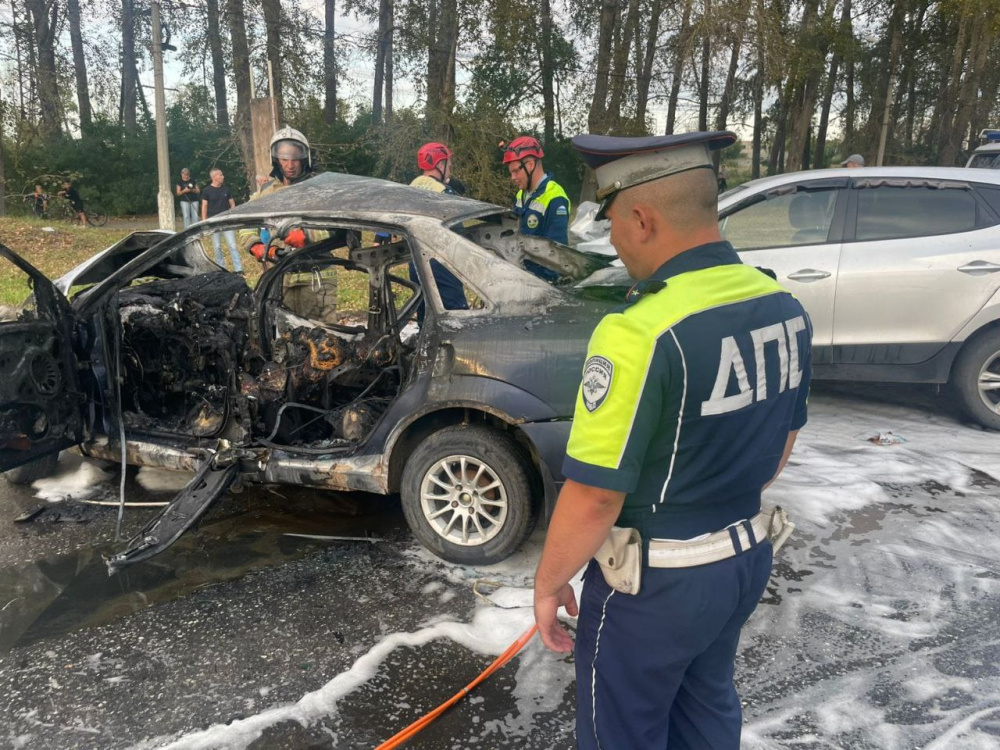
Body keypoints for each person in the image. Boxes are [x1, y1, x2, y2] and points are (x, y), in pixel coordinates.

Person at [533, 131, 813, 750]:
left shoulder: (639, 331)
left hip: (654, 588)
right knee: (705, 712)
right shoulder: (783, 306)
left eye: (612, 222)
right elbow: (779, 449)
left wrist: (549, 583)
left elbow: (596, 495)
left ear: (642, 218)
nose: (611, 238)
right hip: (743, 560)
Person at [239, 126, 326, 262]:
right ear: (276, 160)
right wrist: (254, 245)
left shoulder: (318, 189)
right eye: (284, 159)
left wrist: (308, 234)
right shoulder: (266, 192)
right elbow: (245, 221)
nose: (290, 165)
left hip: (318, 266)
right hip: (280, 268)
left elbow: (338, 227)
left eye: (295, 159)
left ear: (304, 159)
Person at [407, 142, 469, 317]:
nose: (449, 170)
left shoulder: (409, 189)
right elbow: (460, 235)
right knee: (456, 317)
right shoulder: (444, 193)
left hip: (415, 262)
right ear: (440, 165)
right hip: (442, 265)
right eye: (448, 166)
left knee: (425, 316)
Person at [503, 135, 570, 280]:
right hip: (521, 275)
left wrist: (545, 284)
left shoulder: (555, 198)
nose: (512, 177)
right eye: (511, 172)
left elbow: (556, 255)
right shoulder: (521, 194)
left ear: (530, 165)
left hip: (540, 282)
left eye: (515, 171)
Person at [200, 168, 242, 272]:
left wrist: (233, 216)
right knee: (217, 247)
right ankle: (221, 268)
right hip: (213, 222)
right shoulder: (206, 191)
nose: (223, 177)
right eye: (221, 175)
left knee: (232, 245)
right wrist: (204, 221)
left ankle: (238, 269)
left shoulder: (226, 189)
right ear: (215, 177)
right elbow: (204, 206)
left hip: (226, 221)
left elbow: (232, 204)